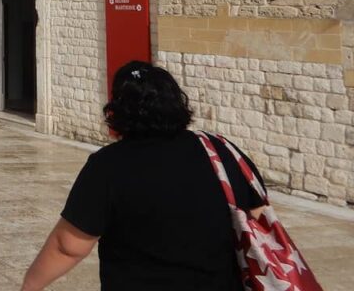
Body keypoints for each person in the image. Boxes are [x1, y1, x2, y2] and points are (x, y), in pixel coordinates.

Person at [21, 60, 265, 291]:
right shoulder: (221, 151)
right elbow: (257, 218)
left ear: (117, 111)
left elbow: (69, 246)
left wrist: (30, 285)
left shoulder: (109, 166)